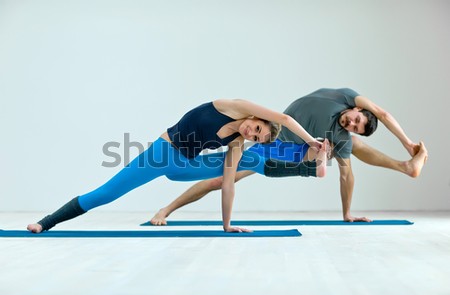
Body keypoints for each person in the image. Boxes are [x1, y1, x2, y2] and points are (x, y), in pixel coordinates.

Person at [27, 99, 329, 233]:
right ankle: (46, 222)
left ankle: (309, 165)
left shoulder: (238, 141)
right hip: (161, 154)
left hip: (186, 166)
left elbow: (227, 183)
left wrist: (226, 225)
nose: (252, 133)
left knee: (252, 159)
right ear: (258, 118)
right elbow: (286, 120)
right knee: (106, 194)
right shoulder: (233, 105)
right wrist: (311, 140)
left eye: (258, 136)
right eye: (257, 129)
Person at [150, 88, 428, 225]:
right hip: (269, 138)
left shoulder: (341, 136)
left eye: (356, 127)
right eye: (355, 119)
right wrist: (406, 142)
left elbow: (346, 175)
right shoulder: (344, 96)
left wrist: (346, 214)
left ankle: (405, 166)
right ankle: (166, 209)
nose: (351, 123)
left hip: (282, 151)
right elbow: (382, 113)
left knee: (347, 146)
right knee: (219, 179)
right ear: (355, 109)